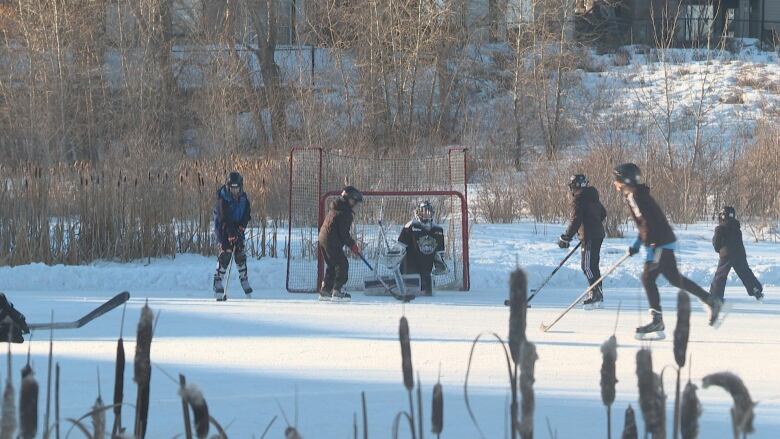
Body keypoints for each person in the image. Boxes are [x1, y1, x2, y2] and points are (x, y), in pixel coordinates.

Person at [613, 163, 723, 339]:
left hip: (659, 242)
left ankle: (657, 320)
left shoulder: (635, 196)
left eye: (616, 179)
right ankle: (711, 301)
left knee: (648, 278)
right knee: (673, 278)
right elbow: (646, 222)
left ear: (624, 180)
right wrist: (639, 242)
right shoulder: (635, 194)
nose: (615, 183)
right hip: (662, 240)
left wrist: (646, 244)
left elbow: (647, 223)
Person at [558, 174, 607, 309]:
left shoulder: (579, 199)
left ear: (576, 186)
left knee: (587, 266)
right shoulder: (593, 196)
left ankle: (595, 293)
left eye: (572, 185)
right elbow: (603, 213)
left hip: (590, 235)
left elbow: (576, 220)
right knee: (592, 265)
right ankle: (597, 293)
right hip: (596, 234)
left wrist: (567, 237)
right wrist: (591, 224)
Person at [709, 206, 763, 301]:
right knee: (745, 272)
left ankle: (715, 296)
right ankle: (755, 289)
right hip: (740, 254)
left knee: (721, 275)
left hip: (726, 255)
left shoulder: (720, 228)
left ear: (722, 216)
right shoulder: (737, 228)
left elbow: (716, 244)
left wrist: (720, 250)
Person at [212, 171, 252, 301]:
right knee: (227, 252)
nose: (235, 191)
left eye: (237, 188)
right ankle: (218, 280)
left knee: (239, 251)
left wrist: (241, 227)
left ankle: (244, 278)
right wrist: (230, 233)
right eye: (232, 188)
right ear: (228, 187)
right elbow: (224, 217)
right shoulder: (222, 198)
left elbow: (247, 214)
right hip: (224, 228)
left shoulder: (244, 199)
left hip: (237, 227)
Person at [318, 186, 363, 302]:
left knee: (332, 265)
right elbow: (344, 234)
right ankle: (337, 291)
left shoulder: (337, 208)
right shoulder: (345, 213)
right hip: (331, 241)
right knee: (343, 264)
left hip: (323, 239)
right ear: (350, 200)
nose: (357, 206)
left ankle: (325, 291)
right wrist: (353, 246)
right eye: (356, 203)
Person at [398, 201, 447, 296]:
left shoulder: (438, 230)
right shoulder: (410, 226)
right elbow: (400, 247)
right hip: (409, 269)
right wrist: (395, 260)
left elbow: (438, 253)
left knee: (427, 293)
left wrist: (440, 264)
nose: (427, 214)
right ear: (418, 213)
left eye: (429, 212)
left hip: (426, 270)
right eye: (424, 212)